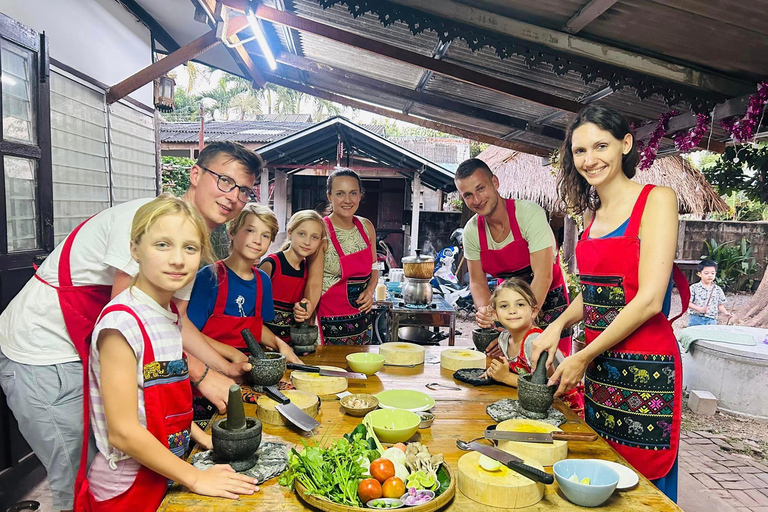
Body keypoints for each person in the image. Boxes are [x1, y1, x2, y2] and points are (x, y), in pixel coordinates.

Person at [0, 141, 261, 511]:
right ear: (196, 174)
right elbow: (139, 322)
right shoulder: (148, 226)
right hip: (44, 352)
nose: (233, 197)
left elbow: (175, 322)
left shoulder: (186, 243)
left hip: (87, 351)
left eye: (244, 190)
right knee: (76, 478)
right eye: (224, 181)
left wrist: (225, 365)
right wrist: (203, 376)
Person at [531, 105, 689, 501]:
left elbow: (650, 298)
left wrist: (582, 357)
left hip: (645, 367)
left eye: (600, 146)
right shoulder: (591, 214)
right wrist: (557, 326)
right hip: (602, 366)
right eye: (580, 151)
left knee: (642, 487)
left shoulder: (657, 200)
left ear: (625, 145)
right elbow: (597, 291)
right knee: (600, 479)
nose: (589, 159)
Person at [75, 196, 259, 512]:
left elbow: (156, 402)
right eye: (162, 245)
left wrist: (203, 438)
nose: (177, 259)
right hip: (125, 493)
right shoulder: (122, 324)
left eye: (190, 248)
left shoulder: (168, 315)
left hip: (163, 476)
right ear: (135, 249)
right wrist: (196, 478)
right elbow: (123, 432)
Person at [187, 204, 302, 423]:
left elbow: (254, 327)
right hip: (207, 379)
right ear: (232, 232)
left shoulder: (262, 281)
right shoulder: (210, 277)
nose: (258, 239)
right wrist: (231, 353)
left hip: (246, 377)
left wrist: (279, 344)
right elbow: (188, 333)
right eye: (250, 230)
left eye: (265, 235)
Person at [454, 158, 571, 358]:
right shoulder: (472, 231)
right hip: (508, 303)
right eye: (468, 195)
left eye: (481, 188)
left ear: (495, 182)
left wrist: (517, 329)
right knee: (505, 366)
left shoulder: (528, 214)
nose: (477, 199)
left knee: (549, 368)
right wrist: (487, 314)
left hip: (547, 296)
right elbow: (477, 281)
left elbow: (543, 275)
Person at [482, 279, 584, 415]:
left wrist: (505, 377)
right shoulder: (504, 339)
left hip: (563, 408)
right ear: (495, 314)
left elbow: (545, 386)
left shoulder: (534, 342)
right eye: (504, 306)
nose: (512, 311)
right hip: (536, 404)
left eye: (520, 304)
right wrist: (494, 371)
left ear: (534, 311)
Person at [304, 169, 378, 345]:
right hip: (329, 322)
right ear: (329, 196)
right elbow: (314, 283)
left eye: (353, 193)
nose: (347, 200)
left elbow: (374, 267)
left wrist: (370, 291)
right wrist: (306, 321)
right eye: (340, 194)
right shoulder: (320, 230)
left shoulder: (366, 226)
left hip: (361, 321)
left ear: (360, 195)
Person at [260, 210, 326, 342]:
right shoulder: (271, 265)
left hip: (291, 345)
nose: (307, 242)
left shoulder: (308, 271)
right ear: (290, 233)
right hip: (265, 343)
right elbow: (253, 310)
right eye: (302, 234)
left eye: (314, 237)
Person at [688, 259, 732, 326]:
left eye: (712, 273)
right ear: (699, 274)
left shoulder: (718, 289)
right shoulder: (693, 288)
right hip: (695, 318)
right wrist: (699, 309)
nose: (710, 275)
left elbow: (720, 305)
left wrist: (726, 313)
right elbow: (688, 303)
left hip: (711, 319)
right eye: (706, 273)